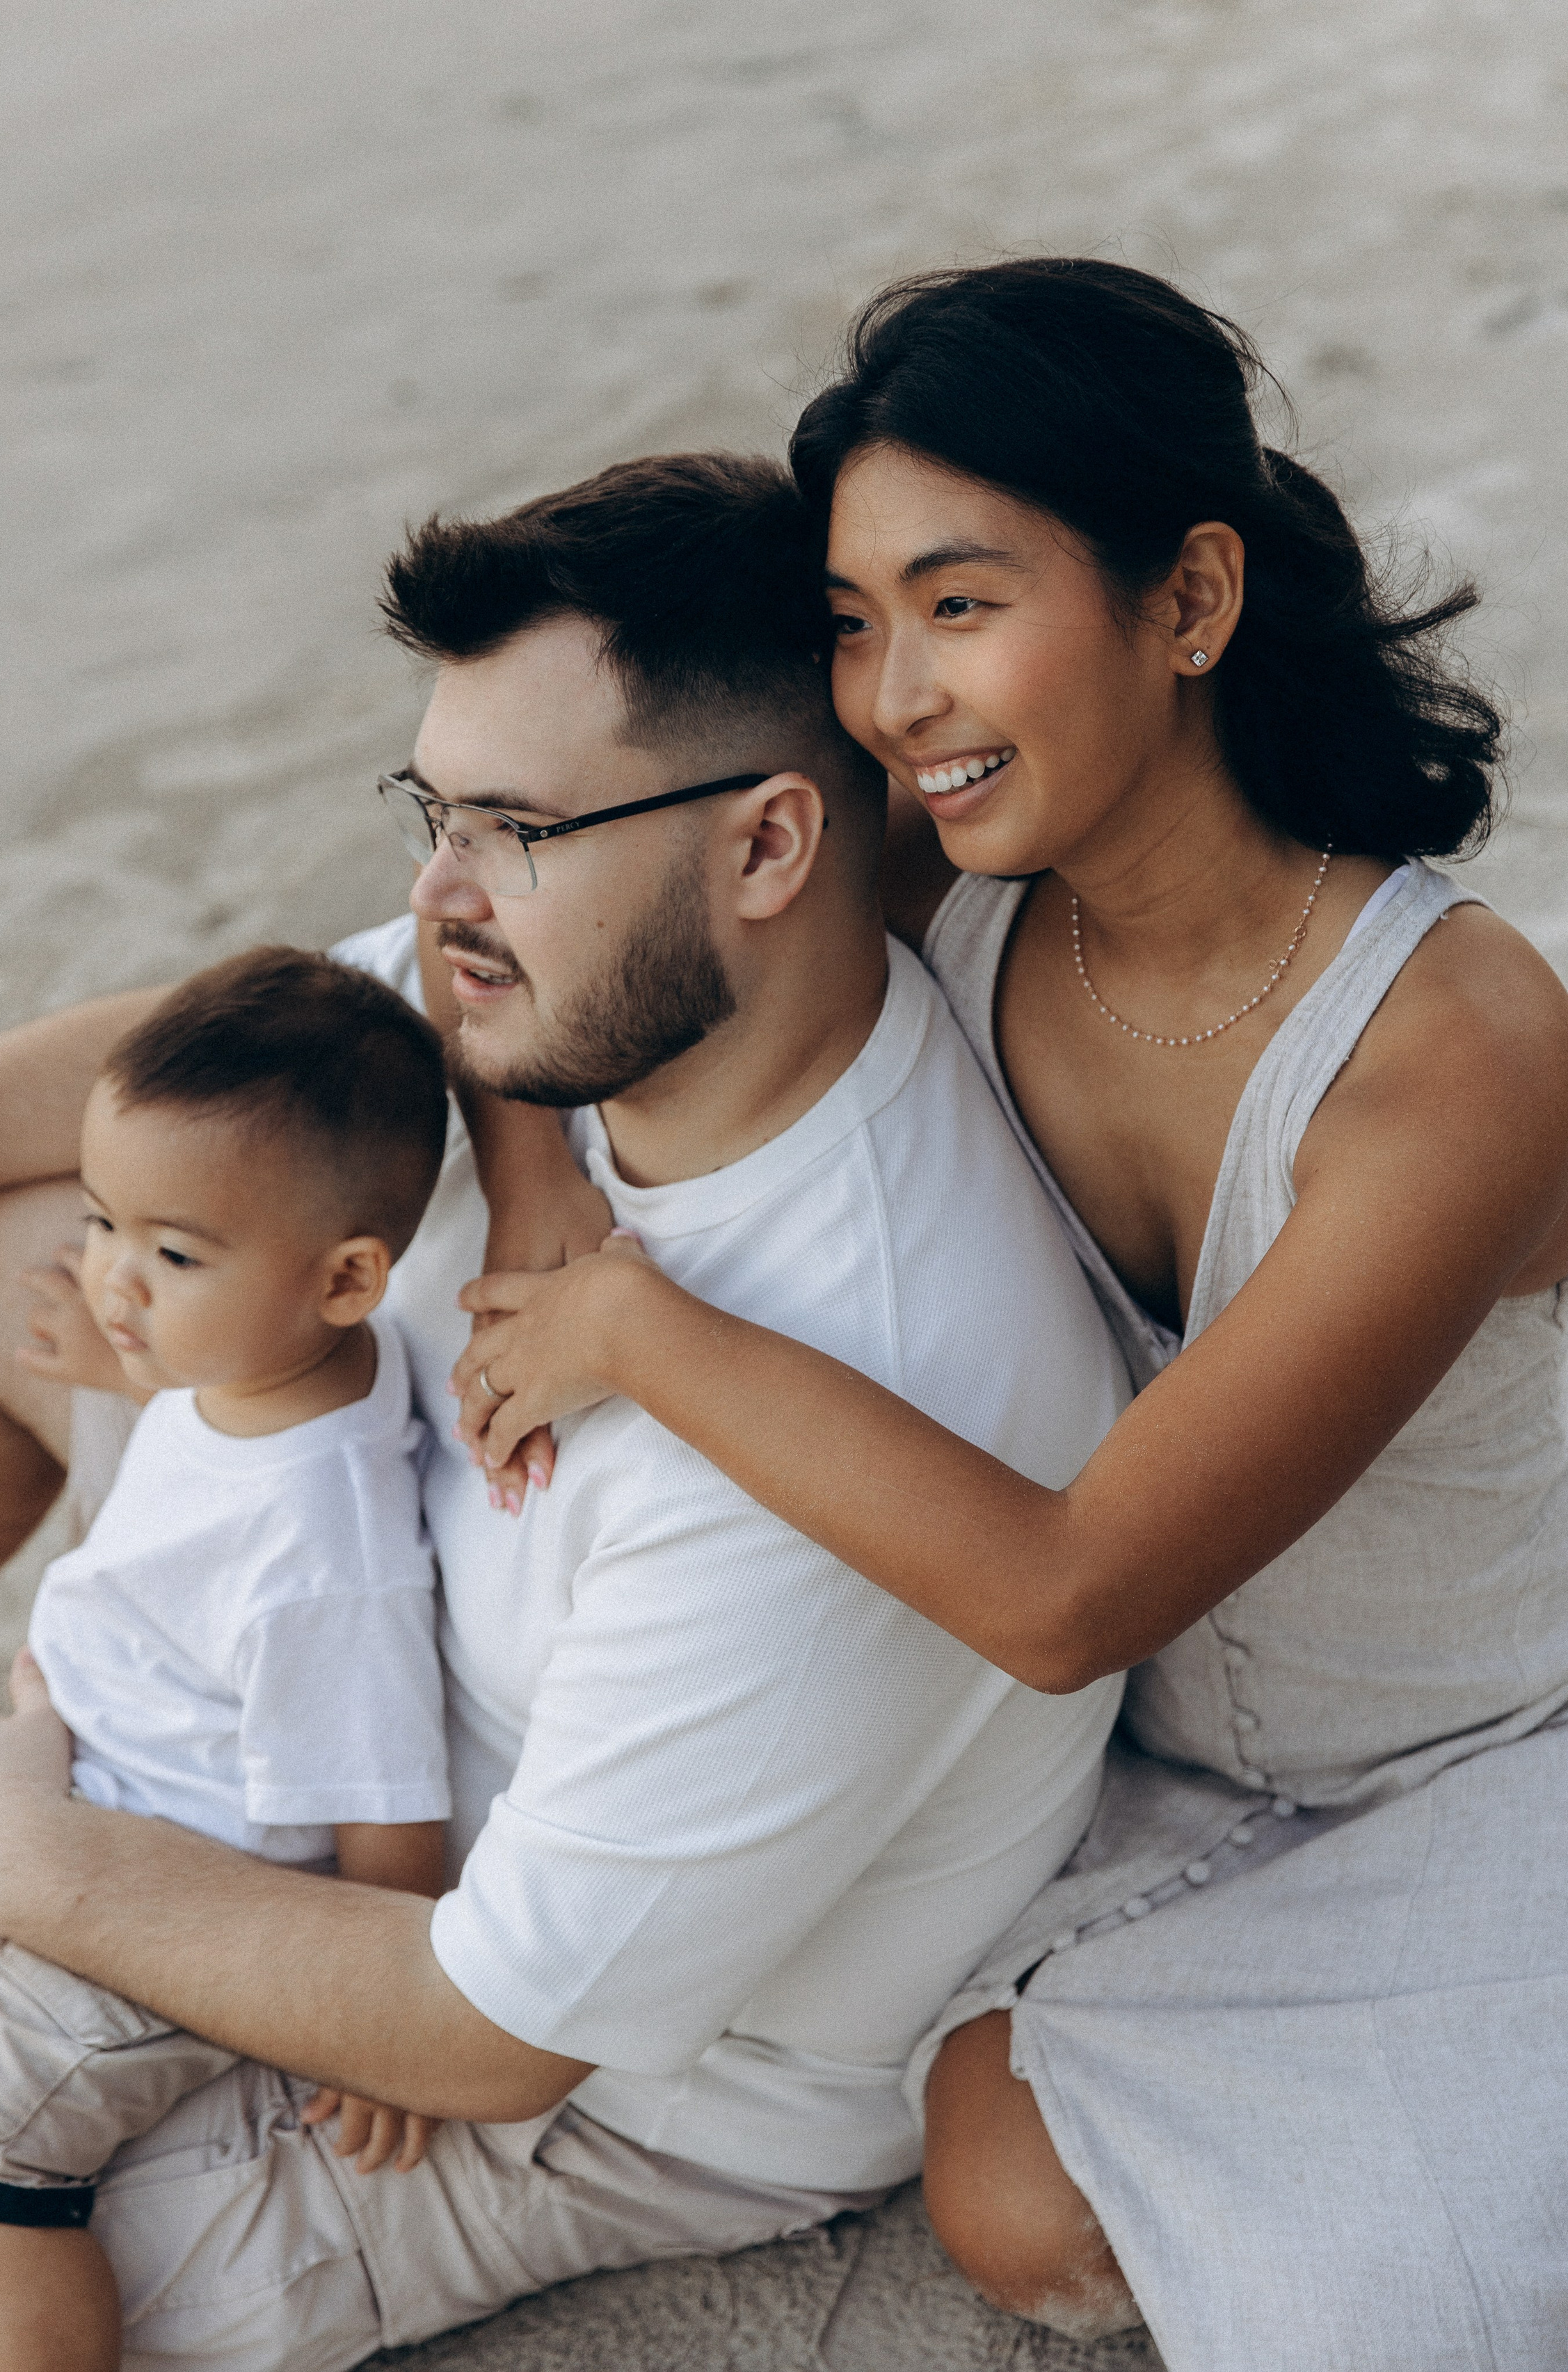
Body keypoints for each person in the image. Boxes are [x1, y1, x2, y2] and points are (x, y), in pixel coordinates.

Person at [0, 453, 1133, 2371]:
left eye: (508, 827)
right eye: (432, 810)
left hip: (527, 2061)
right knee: (43, 1217)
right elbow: (211, 1076)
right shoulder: (609, 1013)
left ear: (766, 848)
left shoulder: (857, 1402)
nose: (437, 893)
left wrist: (23, 1862)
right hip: (302, 1703)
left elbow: (494, 2031)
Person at [445, 264, 1568, 2369]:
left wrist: (635, 1329)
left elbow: (1069, 1592)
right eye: (857, 627)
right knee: (1004, 2181)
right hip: (1160, 1784)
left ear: (1192, 597)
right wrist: (529, 1172)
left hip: (1490, 1755)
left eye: (961, 607)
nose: (892, 702)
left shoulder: (1455, 1049)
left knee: (1346, 2289)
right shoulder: (953, 878)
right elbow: (542, 947)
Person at [0, 947, 451, 2372]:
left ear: (344, 1276)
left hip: (144, 1919)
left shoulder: (326, 1551)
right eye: (102, 1222)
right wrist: (141, 1372)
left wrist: (380, 2033)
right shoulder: (275, 1369)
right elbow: (236, 1419)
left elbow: (390, 1809)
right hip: (64, 1799)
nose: (109, 1276)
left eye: (172, 1254)